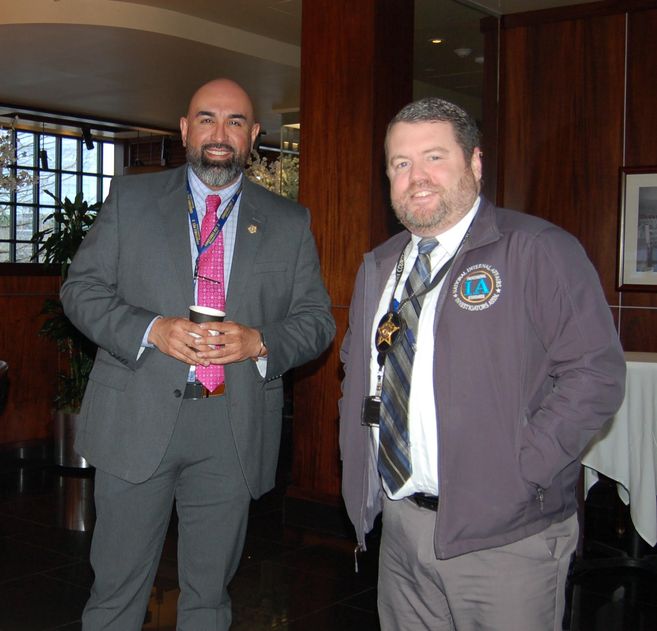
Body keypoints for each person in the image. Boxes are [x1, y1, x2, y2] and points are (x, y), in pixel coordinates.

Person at [338, 97, 626, 630]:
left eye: (434, 157)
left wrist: (521, 472)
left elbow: (596, 375)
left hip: (506, 536)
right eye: (400, 164)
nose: (416, 176)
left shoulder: (537, 248)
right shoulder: (379, 266)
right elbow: (357, 371)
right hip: (402, 529)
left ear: (474, 163)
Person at [61, 78, 335, 630]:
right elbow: (80, 290)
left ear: (254, 135)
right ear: (185, 129)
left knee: (210, 597)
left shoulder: (288, 221)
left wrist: (259, 341)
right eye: (206, 118)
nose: (220, 133)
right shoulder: (131, 200)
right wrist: (151, 329)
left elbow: (317, 322)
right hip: (136, 417)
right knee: (116, 591)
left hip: (231, 428)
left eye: (235, 122)